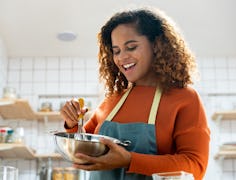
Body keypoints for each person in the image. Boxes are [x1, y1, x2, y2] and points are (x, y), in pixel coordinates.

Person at [60, 7, 210, 180]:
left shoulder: (184, 98)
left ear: (156, 45)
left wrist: (129, 160)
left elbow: (195, 166)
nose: (122, 57)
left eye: (131, 47)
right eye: (116, 51)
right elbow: (81, 150)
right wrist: (72, 123)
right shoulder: (112, 101)